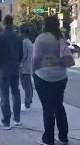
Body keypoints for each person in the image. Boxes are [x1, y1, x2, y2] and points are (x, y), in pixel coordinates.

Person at [32, 16, 70, 145]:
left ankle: (48, 139)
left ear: (45, 25)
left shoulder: (41, 38)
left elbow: (36, 58)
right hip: (60, 76)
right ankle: (63, 137)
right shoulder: (60, 38)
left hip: (43, 76)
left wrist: (34, 70)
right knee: (59, 106)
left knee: (47, 108)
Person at [0, 15, 23, 130]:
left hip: (4, 68)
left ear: (4, 23)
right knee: (16, 92)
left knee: (4, 94)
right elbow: (21, 53)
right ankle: (17, 119)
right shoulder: (17, 36)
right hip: (15, 67)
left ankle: (6, 121)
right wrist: (18, 62)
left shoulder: (1, 36)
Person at [19, 26, 34, 111]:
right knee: (29, 85)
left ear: (23, 33)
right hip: (29, 65)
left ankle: (27, 103)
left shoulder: (24, 42)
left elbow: (24, 55)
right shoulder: (29, 42)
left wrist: (19, 63)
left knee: (26, 86)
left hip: (24, 66)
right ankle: (29, 101)